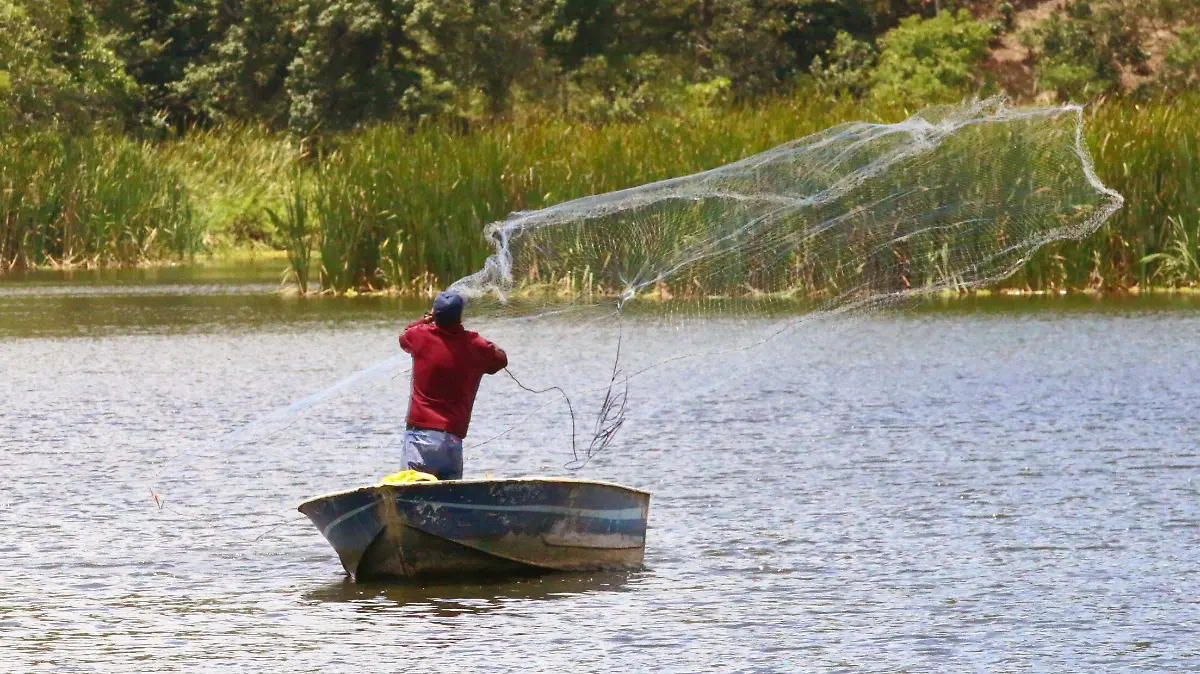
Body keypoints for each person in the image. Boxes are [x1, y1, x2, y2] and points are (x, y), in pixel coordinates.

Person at [397, 290, 507, 479]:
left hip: (419, 439)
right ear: (460, 316)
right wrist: (481, 342)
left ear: (435, 314)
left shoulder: (419, 336)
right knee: (450, 495)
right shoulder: (475, 344)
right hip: (452, 441)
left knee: (412, 493)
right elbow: (501, 359)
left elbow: (404, 336)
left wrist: (426, 319)